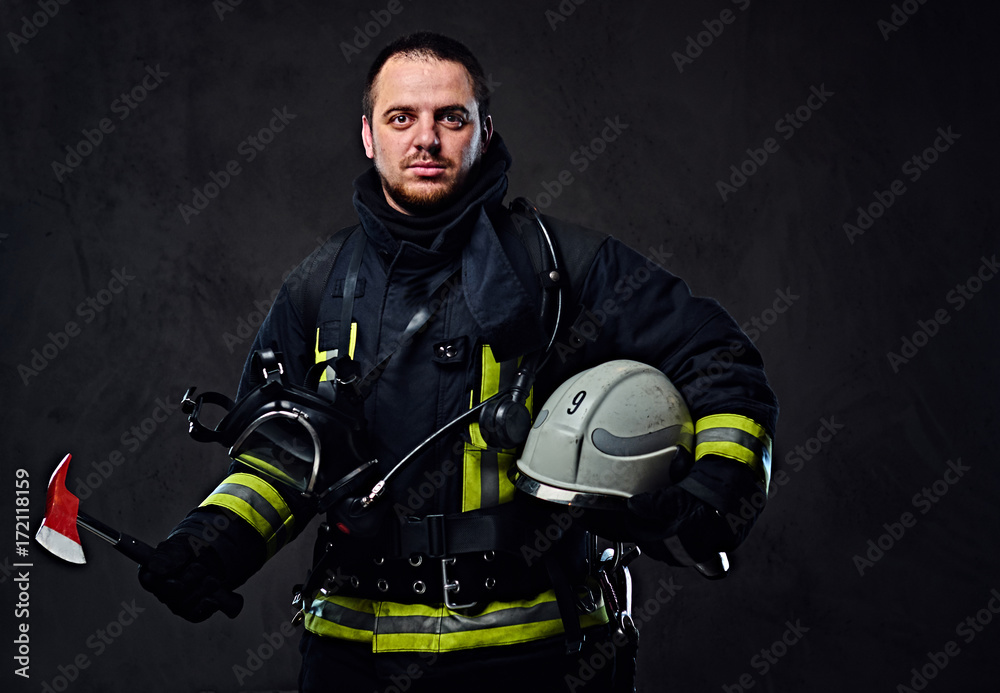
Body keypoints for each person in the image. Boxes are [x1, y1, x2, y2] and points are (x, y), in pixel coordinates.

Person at [138, 31, 778, 692]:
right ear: (368, 136)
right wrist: (208, 545)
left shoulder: (566, 267)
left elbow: (720, 360)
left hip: (541, 656)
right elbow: (281, 459)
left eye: (451, 116)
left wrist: (712, 495)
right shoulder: (317, 285)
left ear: (484, 130)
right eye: (401, 117)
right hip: (356, 658)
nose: (426, 138)